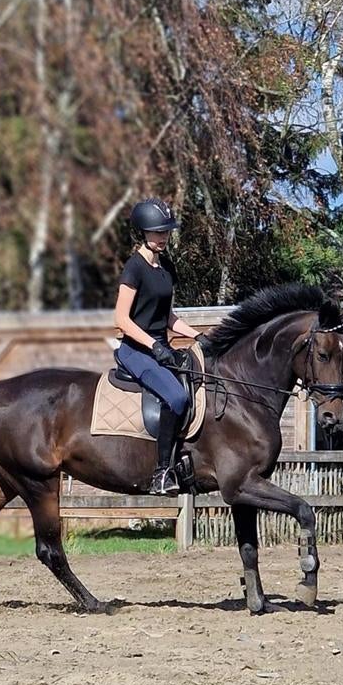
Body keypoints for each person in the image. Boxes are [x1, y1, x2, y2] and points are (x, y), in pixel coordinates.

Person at [114, 198, 210, 495]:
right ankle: (161, 473)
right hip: (135, 351)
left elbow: (168, 317)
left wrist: (197, 337)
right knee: (177, 398)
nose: (164, 236)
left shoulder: (166, 266)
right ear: (143, 232)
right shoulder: (134, 267)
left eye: (167, 231)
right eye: (158, 232)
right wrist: (153, 345)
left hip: (160, 348)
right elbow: (121, 319)